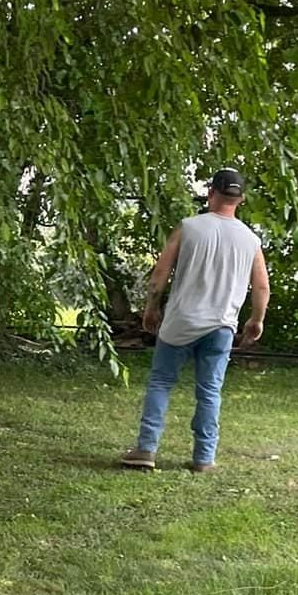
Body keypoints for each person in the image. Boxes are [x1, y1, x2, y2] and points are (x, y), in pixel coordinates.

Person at [120, 168, 269, 474]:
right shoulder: (250, 240)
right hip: (222, 325)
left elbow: (160, 273)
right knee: (210, 391)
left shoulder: (188, 227)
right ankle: (204, 457)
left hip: (180, 321)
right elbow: (262, 286)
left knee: (161, 382)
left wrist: (151, 307)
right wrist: (256, 320)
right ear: (240, 199)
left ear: (211, 193)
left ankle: (146, 449)